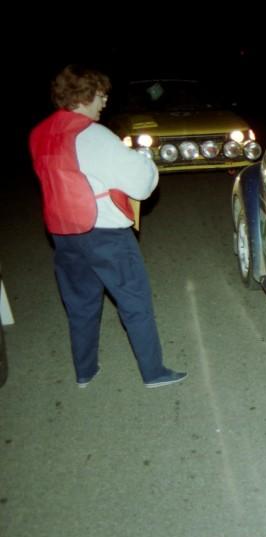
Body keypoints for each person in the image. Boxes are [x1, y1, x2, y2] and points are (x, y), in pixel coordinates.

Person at [29, 65, 186, 389]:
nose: (104, 102)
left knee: (81, 305)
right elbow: (142, 186)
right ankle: (153, 373)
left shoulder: (39, 133)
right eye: (101, 96)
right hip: (105, 233)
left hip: (63, 233)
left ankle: (85, 371)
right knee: (134, 302)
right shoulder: (93, 135)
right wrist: (144, 160)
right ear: (86, 95)